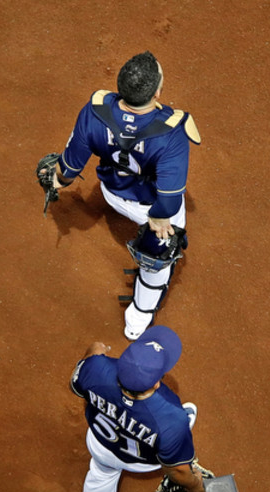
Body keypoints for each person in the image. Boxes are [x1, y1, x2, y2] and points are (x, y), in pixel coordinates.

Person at [49, 50, 201, 341]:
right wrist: (158, 224)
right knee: (159, 253)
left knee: (158, 238)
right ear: (157, 91)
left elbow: (69, 167)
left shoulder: (94, 111)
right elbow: (168, 201)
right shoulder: (172, 132)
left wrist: (57, 179)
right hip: (151, 206)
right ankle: (139, 316)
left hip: (112, 192)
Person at [69, 325, 208, 492]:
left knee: (99, 482)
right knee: (177, 425)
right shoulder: (170, 417)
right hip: (141, 461)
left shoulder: (96, 368)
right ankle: (182, 428)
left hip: (101, 445)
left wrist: (94, 352)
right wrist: (196, 486)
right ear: (155, 384)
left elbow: (79, 384)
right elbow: (178, 471)